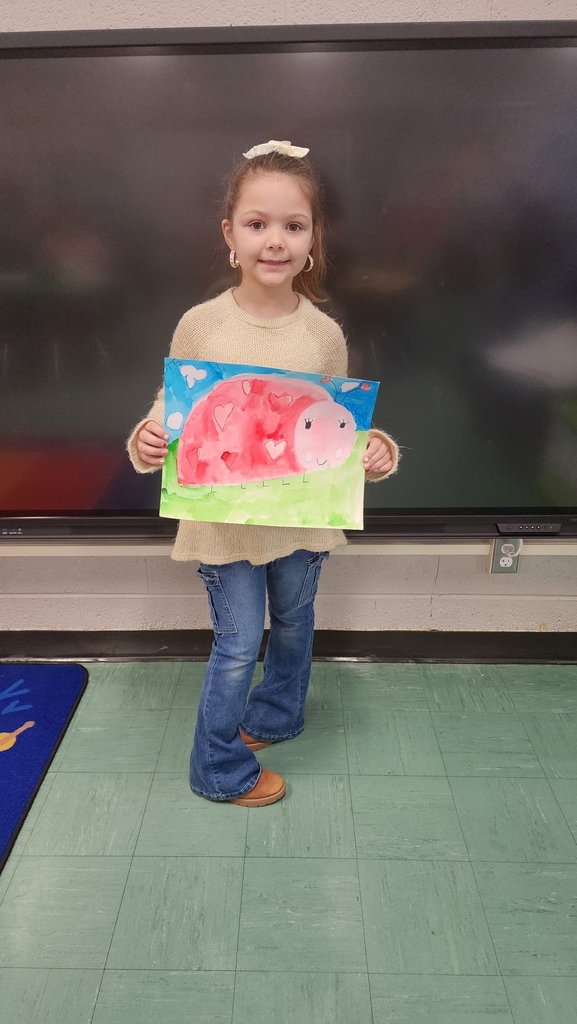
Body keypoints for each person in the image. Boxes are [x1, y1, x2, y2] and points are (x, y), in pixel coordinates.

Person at [126, 140, 399, 807]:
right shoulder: (202, 324)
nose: (273, 241)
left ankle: (275, 716)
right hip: (223, 526)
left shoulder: (320, 335)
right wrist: (148, 436)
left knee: (297, 620)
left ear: (312, 238)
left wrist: (377, 448)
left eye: (292, 225)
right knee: (237, 643)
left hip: (298, 522)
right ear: (229, 234)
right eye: (256, 223)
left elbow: (341, 425)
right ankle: (216, 770)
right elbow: (174, 407)